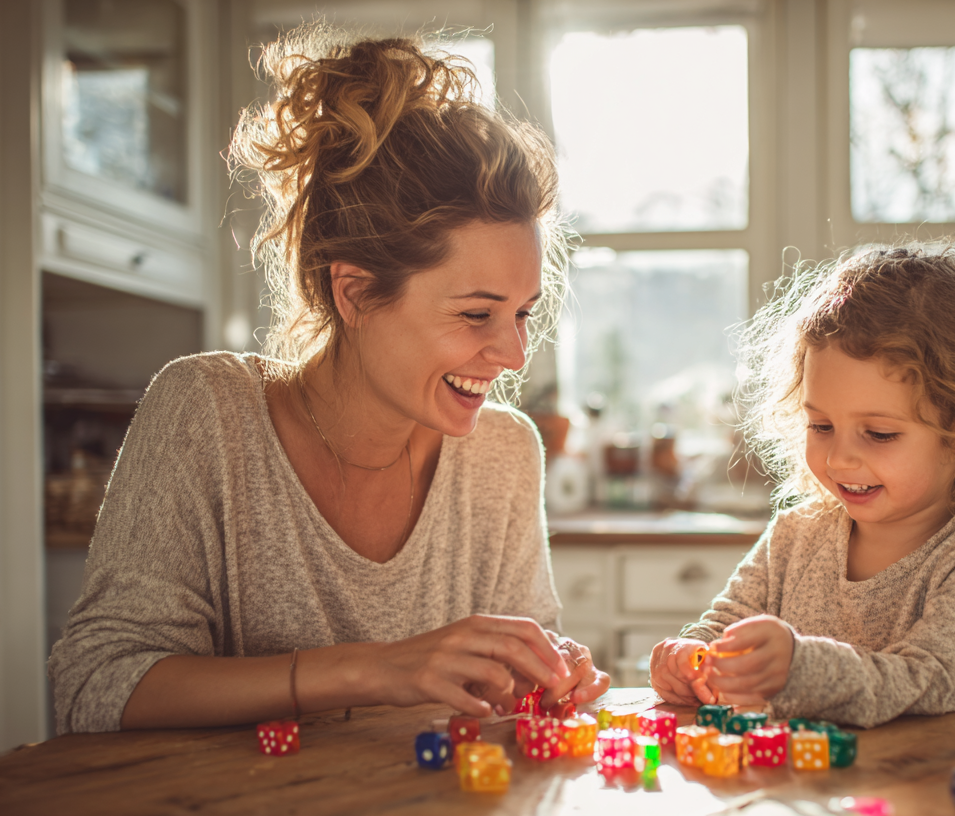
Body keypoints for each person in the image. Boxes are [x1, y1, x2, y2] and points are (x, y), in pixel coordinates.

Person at [48, 28, 609, 734]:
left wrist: (543, 676)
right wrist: (375, 669)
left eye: (524, 313)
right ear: (354, 293)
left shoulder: (504, 453)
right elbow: (95, 687)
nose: (514, 353)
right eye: (476, 314)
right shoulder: (206, 415)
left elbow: (510, 695)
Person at [648, 246, 955, 727]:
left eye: (879, 434)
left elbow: (920, 683)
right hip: (815, 800)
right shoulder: (795, 536)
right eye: (821, 426)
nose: (839, 458)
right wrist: (685, 658)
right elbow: (720, 629)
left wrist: (798, 667)